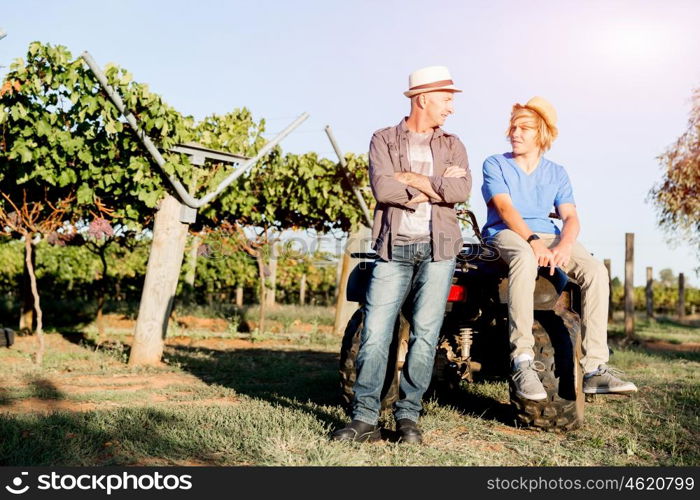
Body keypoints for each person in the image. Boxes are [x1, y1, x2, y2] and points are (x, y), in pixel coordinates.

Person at [331, 66, 471, 444]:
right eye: (447, 99)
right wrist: (434, 188)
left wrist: (413, 179)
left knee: (426, 336)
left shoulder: (453, 144)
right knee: (376, 333)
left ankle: (408, 417)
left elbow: (461, 189)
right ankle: (364, 418)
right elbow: (383, 188)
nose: (451, 108)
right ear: (423, 98)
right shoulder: (383, 139)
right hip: (394, 248)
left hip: (439, 250)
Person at [481, 96, 637, 401]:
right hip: (508, 233)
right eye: (513, 126)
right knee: (525, 258)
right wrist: (533, 242)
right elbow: (504, 207)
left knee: (594, 270)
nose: (515, 132)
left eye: (524, 127)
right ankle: (522, 361)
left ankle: (594, 368)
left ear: (541, 133)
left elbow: (570, 217)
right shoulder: (495, 164)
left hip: (548, 235)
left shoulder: (557, 172)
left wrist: (564, 246)